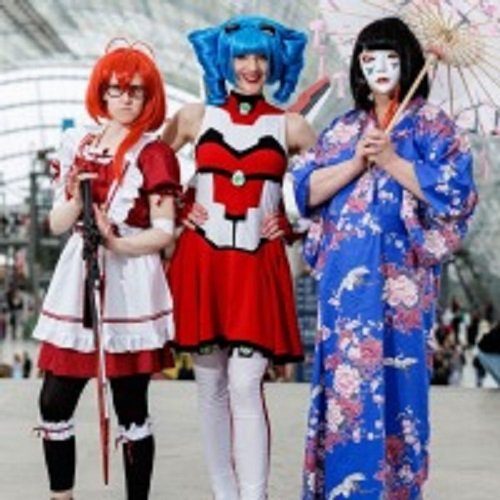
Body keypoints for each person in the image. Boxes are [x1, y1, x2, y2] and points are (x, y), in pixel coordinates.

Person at [293, 17, 477, 499]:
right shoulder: (343, 129)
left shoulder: (434, 126)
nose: (380, 67)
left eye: (392, 57)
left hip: (403, 289)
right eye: (369, 57)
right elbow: (305, 190)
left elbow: (457, 195)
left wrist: (394, 160)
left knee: (401, 395)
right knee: (345, 395)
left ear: (409, 62)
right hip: (345, 294)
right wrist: (357, 161)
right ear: (358, 65)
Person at [163, 15, 315, 500]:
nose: (252, 67)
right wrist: (179, 208)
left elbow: (329, 192)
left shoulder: (292, 125)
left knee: (246, 383)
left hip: (256, 266)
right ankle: (224, 493)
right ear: (224, 61)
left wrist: (293, 225)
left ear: (275, 62)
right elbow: (147, 172)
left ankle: (254, 494)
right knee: (209, 386)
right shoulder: (194, 117)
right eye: (242, 56)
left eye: (261, 57)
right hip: (202, 263)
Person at [32, 40, 179, 500]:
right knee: (53, 401)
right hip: (78, 275)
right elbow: (57, 223)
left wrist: (116, 242)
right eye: (116, 89)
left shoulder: (154, 154)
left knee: (130, 405)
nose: (125, 99)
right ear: (102, 91)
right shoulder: (79, 144)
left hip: (129, 280)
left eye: (136, 90)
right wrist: (78, 198)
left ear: (149, 95)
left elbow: (164, 231)